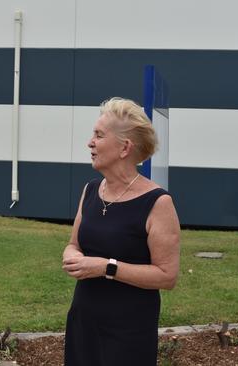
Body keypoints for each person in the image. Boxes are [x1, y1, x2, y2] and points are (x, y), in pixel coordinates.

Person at [62, 97, 181, 365]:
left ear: (124, 147)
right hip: (83, 322)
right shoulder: (91, 190)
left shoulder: (158, 203)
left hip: (128, 331)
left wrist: (107, 267)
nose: (90, 142)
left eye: (99, 135)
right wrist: (72, 255)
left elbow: (167, 276)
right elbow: (74, 244)